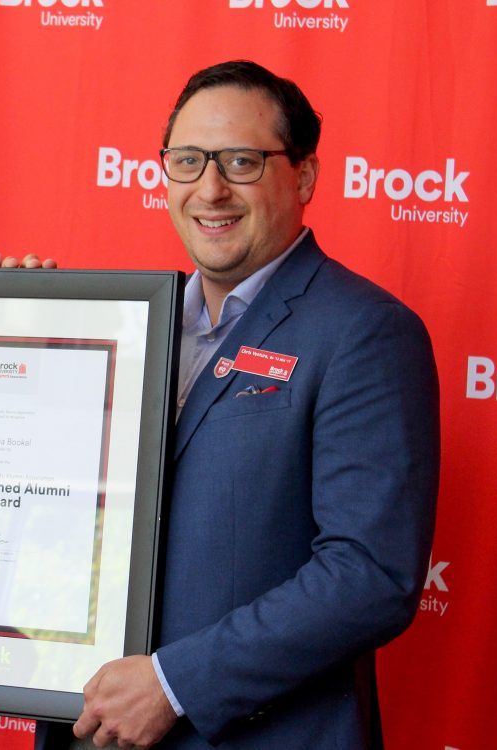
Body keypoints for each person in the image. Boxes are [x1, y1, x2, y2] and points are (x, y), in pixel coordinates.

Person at [64, 60, 440, 749]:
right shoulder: (122, 326)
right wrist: (10, 329)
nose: (210, 189)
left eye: (241, 161)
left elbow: (370, 575)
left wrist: (176, 683)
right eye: (188, 161)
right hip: (96, 728)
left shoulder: (365, 331)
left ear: (303, 177)